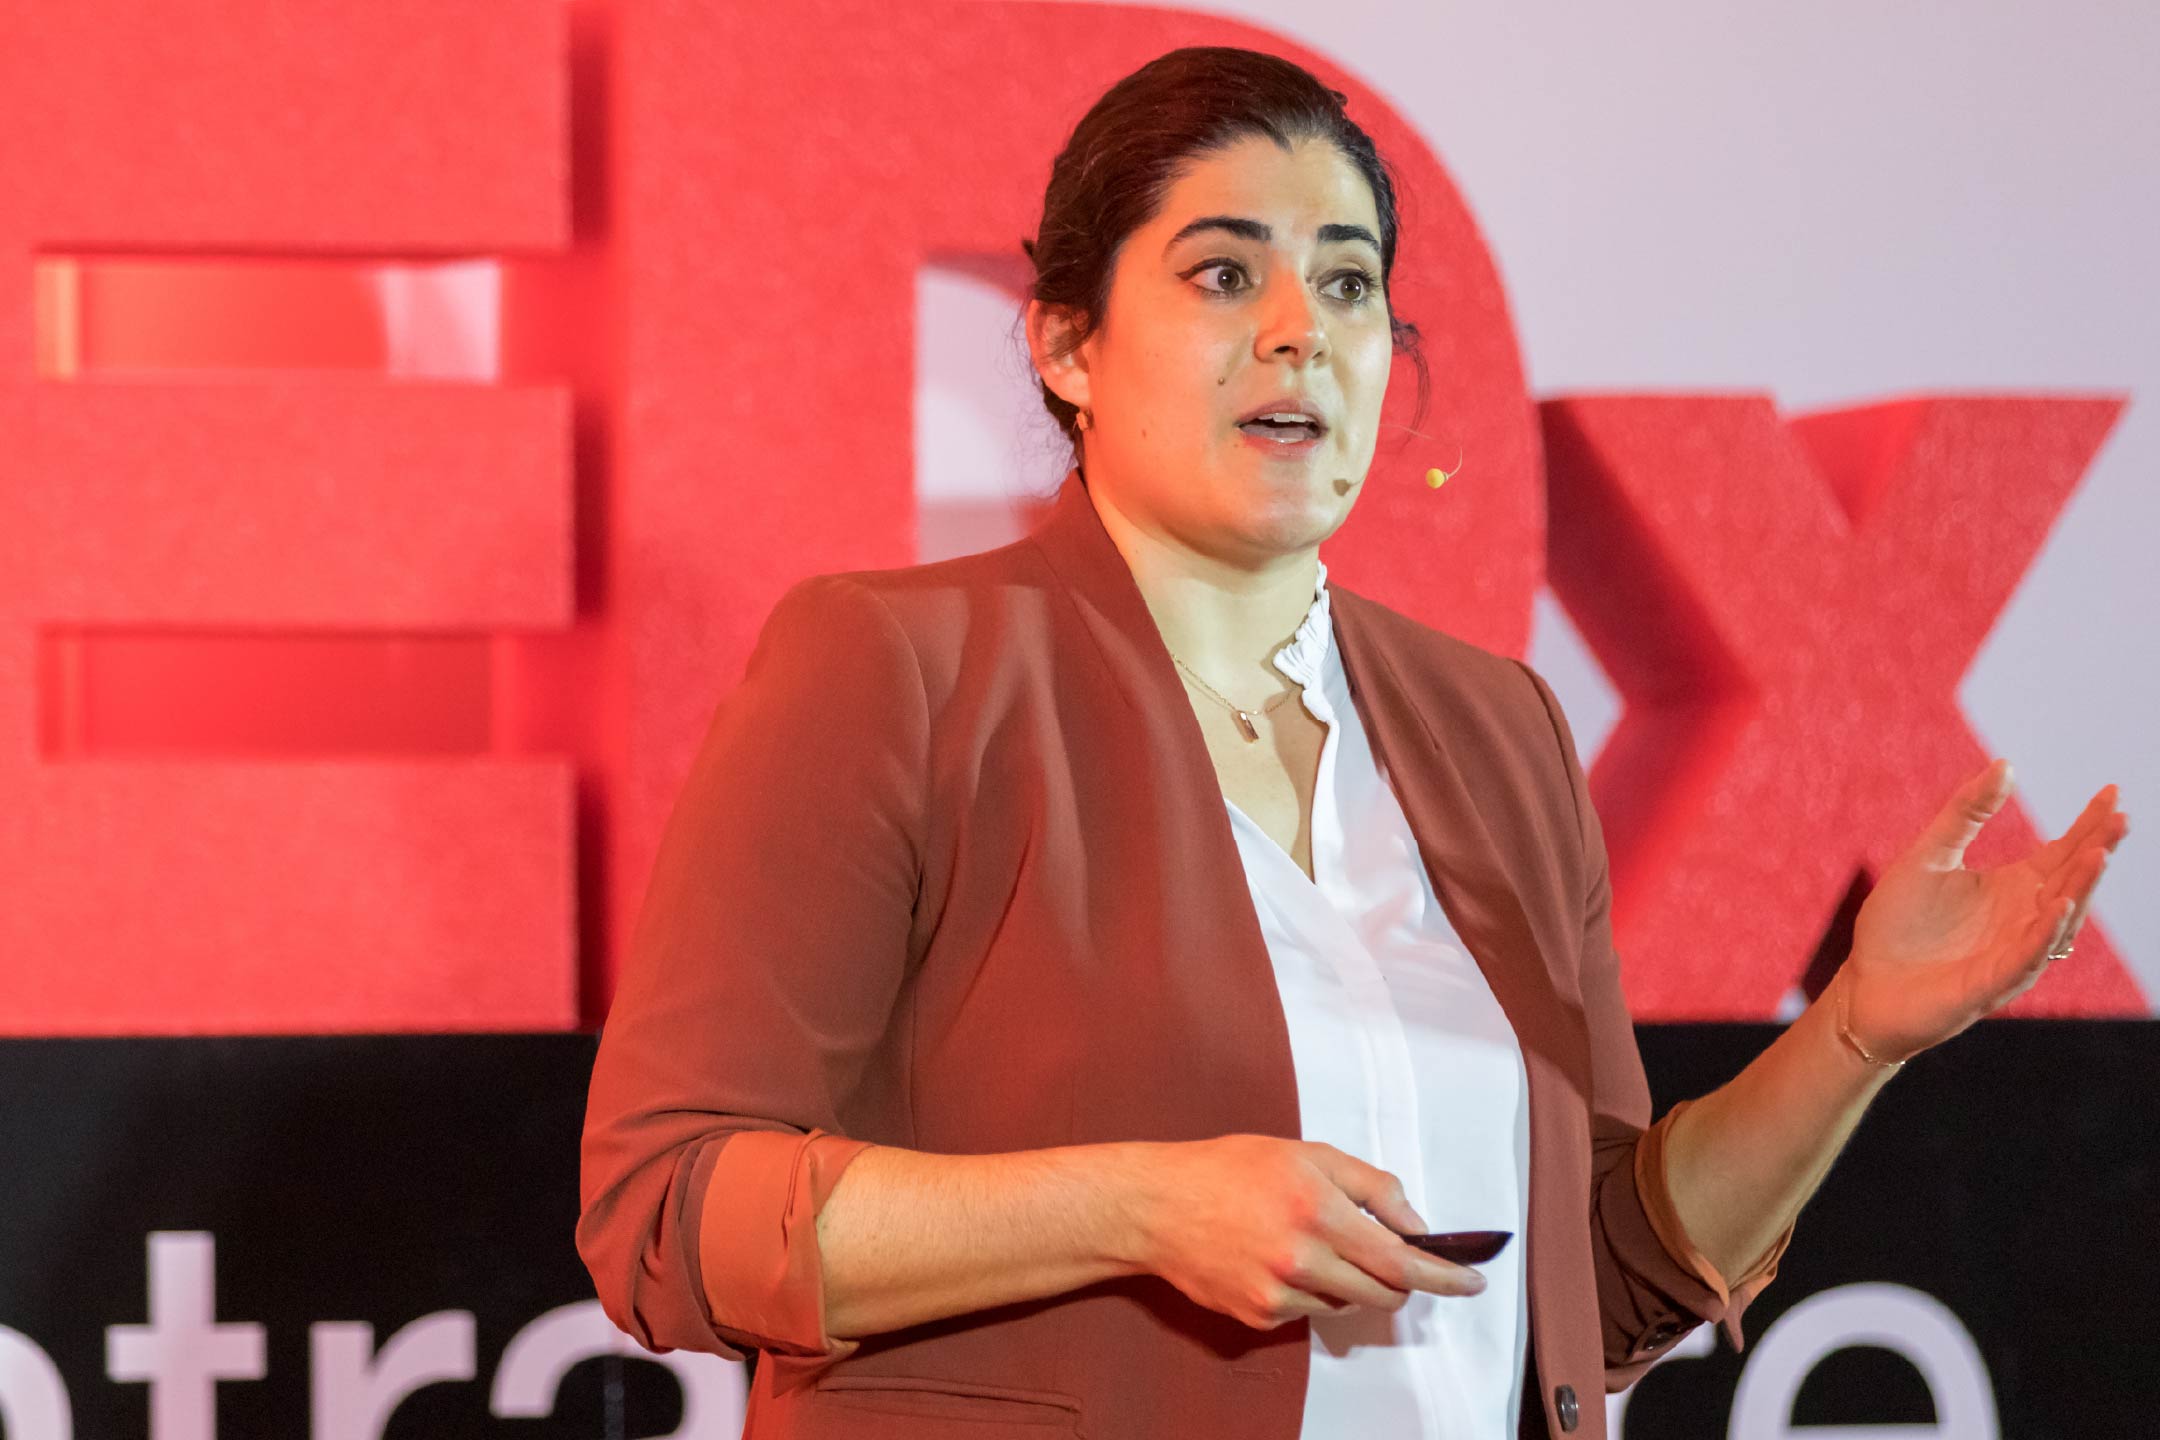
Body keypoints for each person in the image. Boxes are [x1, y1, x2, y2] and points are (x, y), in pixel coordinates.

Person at [576, 46, 2126, 1440]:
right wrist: (1140, 1204)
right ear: (1065, 345)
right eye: (1221, 275)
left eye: (1346, 283)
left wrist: (1857, 1029)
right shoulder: (900, 666)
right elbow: (666, 1212)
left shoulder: (1496, 727)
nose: (1297, 336)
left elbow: (1607, 1280)